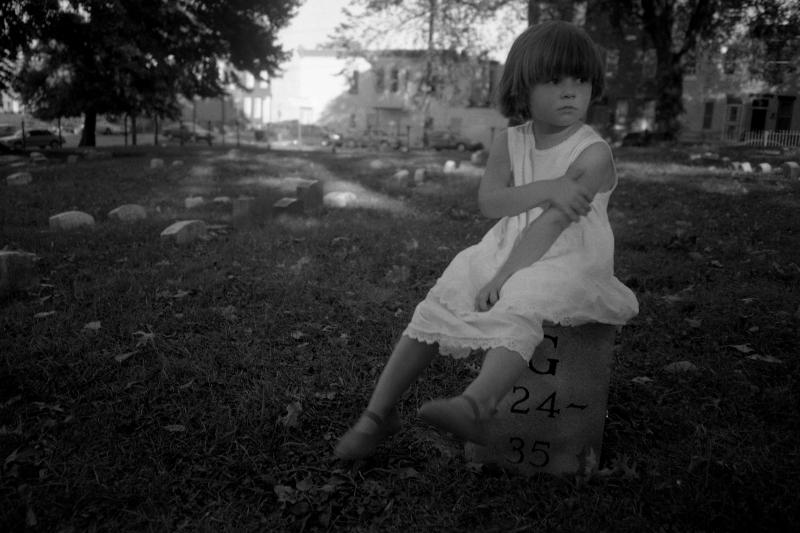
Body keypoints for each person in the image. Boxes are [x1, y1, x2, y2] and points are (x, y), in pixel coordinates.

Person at [334, 20, 638, 460]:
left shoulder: (592, 153)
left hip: (569, 254)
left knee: (522, 293)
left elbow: (551, 225)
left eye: (581, 80)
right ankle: (376, 415)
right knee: (449, 288)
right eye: (554, 81)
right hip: (508, 241)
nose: (570, 91)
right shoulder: (510, 140)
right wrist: (547, 189)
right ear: (522, 87)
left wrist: (504, 275)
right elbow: (491, 202)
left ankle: (476, 405)